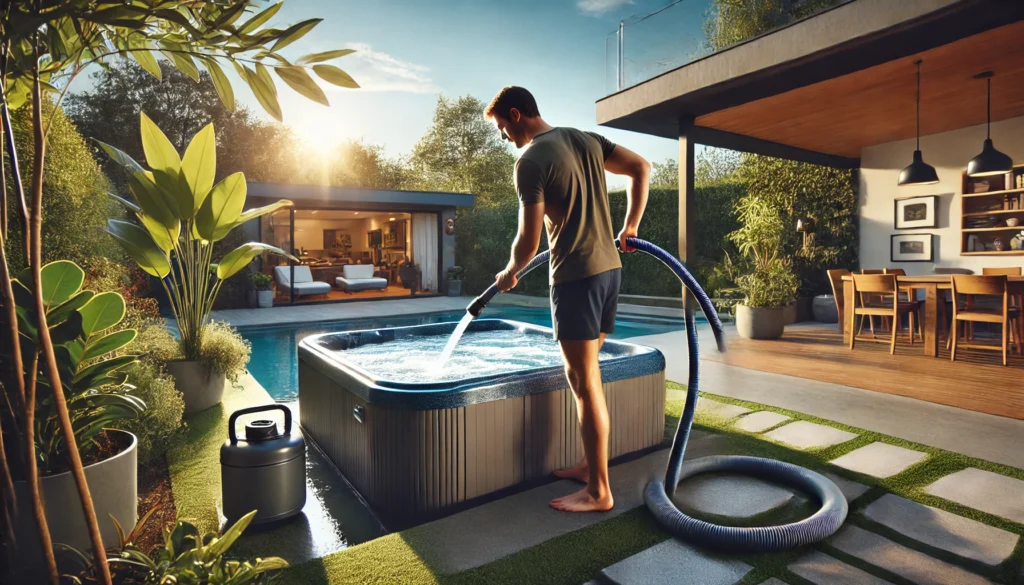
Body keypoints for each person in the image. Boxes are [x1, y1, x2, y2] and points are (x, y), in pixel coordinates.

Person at [485, 86, 650, 513]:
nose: (504, 136)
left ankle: (599, 491)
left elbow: (529, 238)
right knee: (590, 376)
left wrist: (510, 271)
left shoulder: (530, 160)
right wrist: (630, 225)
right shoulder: (586, 139)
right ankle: (587, 465)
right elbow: (641, 167)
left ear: (517, 115)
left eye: (503, 127)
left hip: (576, 277)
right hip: (610, 271)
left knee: (584, 385)